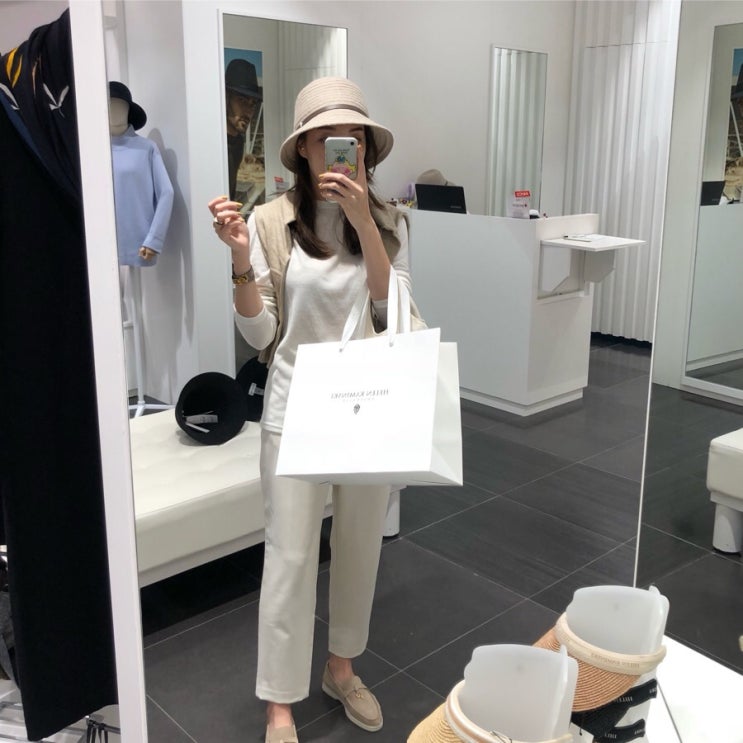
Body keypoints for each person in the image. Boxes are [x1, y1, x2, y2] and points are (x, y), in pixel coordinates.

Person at [209, 77, 414, 743]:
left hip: (367, 406)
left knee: (359, 546)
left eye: (354, 138)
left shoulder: (387, 219)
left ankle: (341, 667)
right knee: (290, 556)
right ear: (303, 148)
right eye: (328, 138)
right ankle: (279, 703)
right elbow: (261, 334)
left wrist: (364, 223)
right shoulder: (270, 220)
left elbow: (388, 311)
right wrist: (241, 261)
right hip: (295, 405)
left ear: (366, 148)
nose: (342, 149)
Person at [224, 58, 263, 203]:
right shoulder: (213, 143)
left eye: (253, 104)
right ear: (226, 97)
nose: (248, 112)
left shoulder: (238, 142)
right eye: (242, 101)